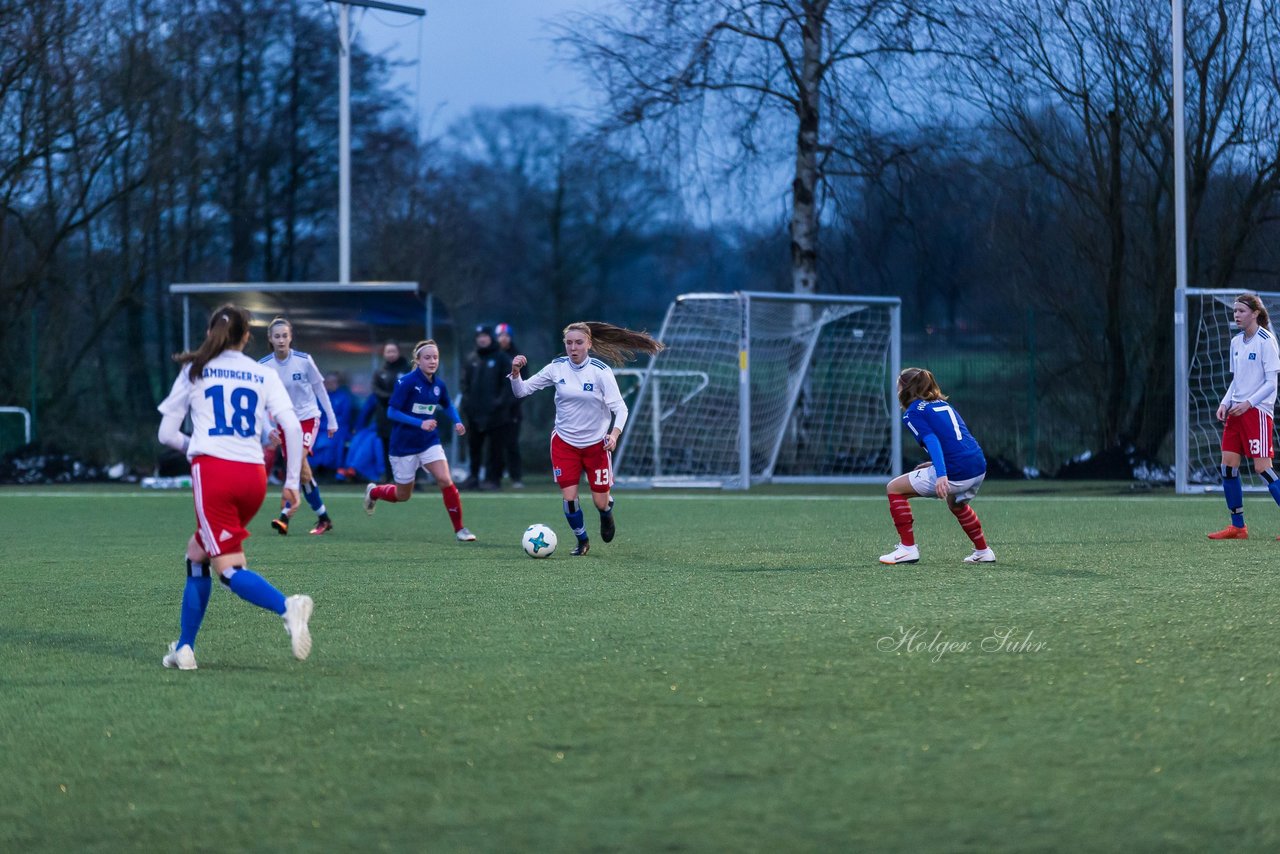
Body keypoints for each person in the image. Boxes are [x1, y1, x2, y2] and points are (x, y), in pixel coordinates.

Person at [156, 304, 314, 670]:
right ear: (246, 337)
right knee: (197, 554)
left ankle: (287, 607)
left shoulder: (194, 368)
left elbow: (166, 434)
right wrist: (291, 482)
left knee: (227, 568)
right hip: (254, 477)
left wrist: (193, 446)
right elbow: (291, 428)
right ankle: (184, 648)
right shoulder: (261, 373)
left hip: (215, 475)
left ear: (212, 332)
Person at [509, 321, 663, 556]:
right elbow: (521, 391)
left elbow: (621, 409)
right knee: (570, 499)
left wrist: (614, 434)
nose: (573, 347)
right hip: (564, 444)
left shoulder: (601, 372)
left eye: (579, 342)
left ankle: (606, 512)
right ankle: (582, 541)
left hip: (596, 446)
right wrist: (516, 374)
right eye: (569, 343)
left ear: (589, 344)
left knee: (600, 502)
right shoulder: (556, 368)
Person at [362, 339, 476, 542]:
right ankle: (375, 491)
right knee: (403, 495)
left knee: (445, 480)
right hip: (403, 446)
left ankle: (460, 529)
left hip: (428, 442)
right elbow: (392, 412)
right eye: (428, 357)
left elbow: (447, 405)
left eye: (436, 357)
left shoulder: (438, 385)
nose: (433, 361)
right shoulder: (405, 382)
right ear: (418, 360)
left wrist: (457, 422)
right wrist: (419, 423)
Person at [879, 367, 996, 565]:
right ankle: (983, 551)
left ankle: (907, 549)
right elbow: (956, 438)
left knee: (894, 489)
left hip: (955, 471)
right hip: (978, 466)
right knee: (956, 504)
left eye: (899, 385)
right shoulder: (942, 404)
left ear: (906, 389)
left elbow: (932, 440)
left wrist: (941, 473)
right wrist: (935, 463)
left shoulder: (913, 413)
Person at [1207, 293, 1280, 539]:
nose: (1236, 315)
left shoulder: (1266, 340)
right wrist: (1225, 402)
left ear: (1255, 313)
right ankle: (1238, 527)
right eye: (1235, 311)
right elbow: (1237, 380)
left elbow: (1271, 383)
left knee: (1262, 468)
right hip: (1236, 412)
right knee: (1228, 467)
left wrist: (1248, 403)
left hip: (1257, 412)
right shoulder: (1236, 342)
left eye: (1241, 311)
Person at [259, 317, 339, 536]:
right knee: (303, 473)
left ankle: (285, 514)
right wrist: (268, 429)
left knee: (296, 462)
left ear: (291, 337)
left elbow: (320, 390)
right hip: (284, 423)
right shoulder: (264, 366)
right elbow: (260, 402)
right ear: (270, 339)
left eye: (285, 335)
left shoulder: (304, 361)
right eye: (277, 336)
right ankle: (323, 517)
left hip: (307, 419)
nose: (282, 340)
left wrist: (331, 420)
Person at [460, 325, 513, 490]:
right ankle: (473, 477)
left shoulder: (502, 358)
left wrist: (499, 403)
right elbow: (464, 384)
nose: (482, 339)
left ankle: (493, 479)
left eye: (485, 336)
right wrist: (468, 404)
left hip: (496, 415)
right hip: (474, 414)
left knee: (495, 449)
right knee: (474, 448)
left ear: (491, 338)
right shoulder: (471, 359)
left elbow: (508, 385)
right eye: (479, 336)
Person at [371, 341, 411, 479]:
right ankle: (390, 477)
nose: (391, 354)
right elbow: (376, 390)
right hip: (385, 416)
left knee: (406, 447)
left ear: (399, 352)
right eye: (388, 351)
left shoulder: (407, 369)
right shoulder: (380, 372)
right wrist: (392, 398)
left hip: (404, 415)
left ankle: (408, 478)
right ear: (384, 353)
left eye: (393, 351)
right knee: (388, 448)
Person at [494, 322, 525, 488]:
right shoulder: (492, 356)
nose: (503, 339)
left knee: (512, 444)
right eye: (500, 336)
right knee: (495, 445)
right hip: (495, 411)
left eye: (506, 336)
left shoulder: (518, 357)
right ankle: (494, 477)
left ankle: (516, 477)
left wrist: (510, 403)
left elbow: (524, 385)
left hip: (512, 411)